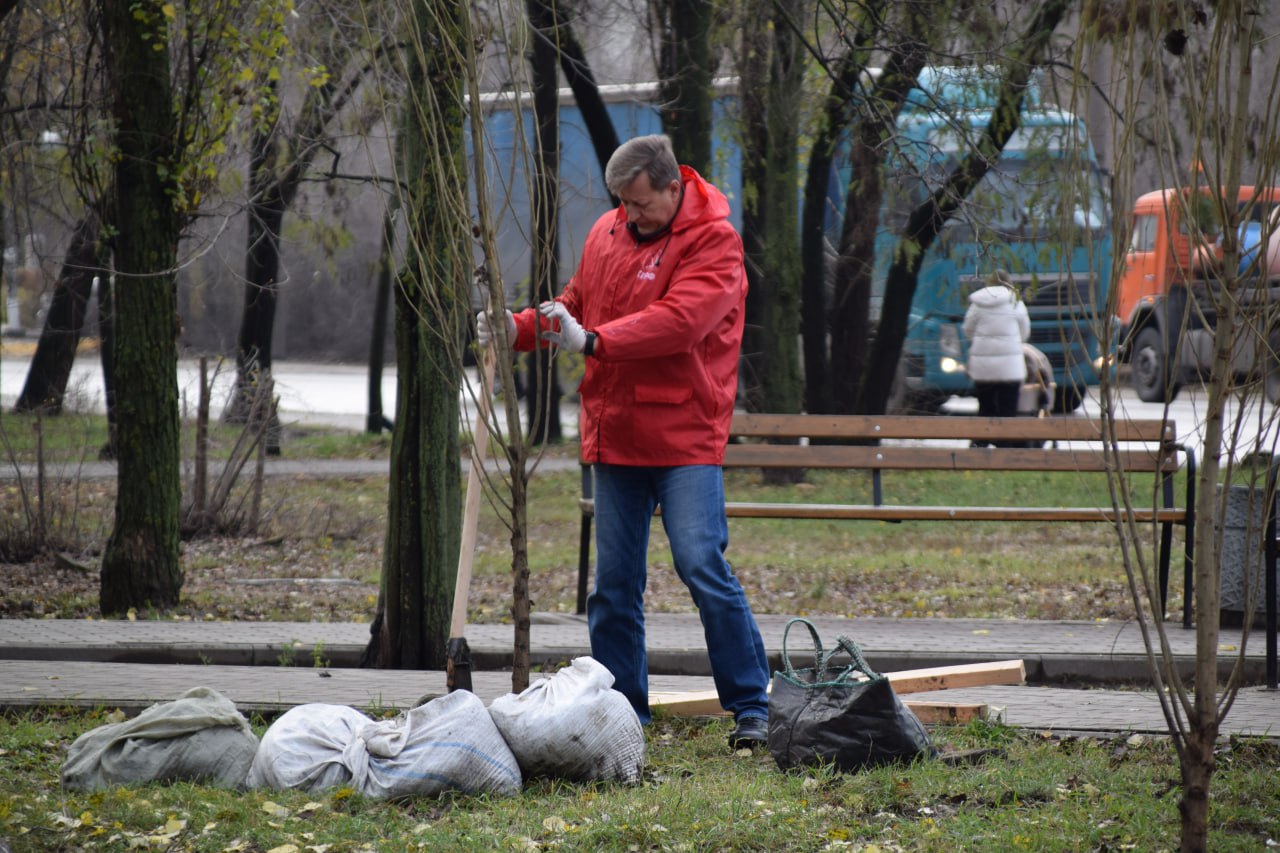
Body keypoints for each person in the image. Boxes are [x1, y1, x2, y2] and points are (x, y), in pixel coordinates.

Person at [476, 134, 770, 749]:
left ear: (673, 186)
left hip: (684, 433)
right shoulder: (606, 233)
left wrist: (597, 343)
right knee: (613, 586)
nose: (629, 216)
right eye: (622, 204)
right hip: (615, 433)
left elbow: (680, 321)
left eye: (640, 205)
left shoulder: (715, 241)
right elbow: (575, 305)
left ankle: (752, 706)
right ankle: (624, 711)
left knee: (701, 566)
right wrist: (520, 327)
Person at [963, 269, 1030, 431]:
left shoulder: (977, 304)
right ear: (1009, 283)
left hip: (983, 368)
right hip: (1010, 368)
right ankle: (1006, 446)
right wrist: (1013, 343)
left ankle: (982, 444)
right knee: (1008, 411)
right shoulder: (1016, 302)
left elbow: (967, 330)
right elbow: (1024, 331)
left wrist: (981, 342)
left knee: (985, 409)